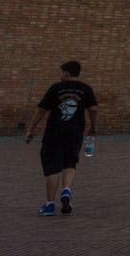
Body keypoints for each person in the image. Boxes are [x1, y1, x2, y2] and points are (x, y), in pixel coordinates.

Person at [24, 60, 97, 216]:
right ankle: (66, 190)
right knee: (70, 163)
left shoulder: (56, 88)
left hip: (54, 133)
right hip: (75, 132)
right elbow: (94, 109)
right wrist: (93, 127)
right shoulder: (86, 89)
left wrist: (30, 130)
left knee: (52, 168)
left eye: (61, 73)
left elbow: (41, 110)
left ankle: (50, 205)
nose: (60, 76)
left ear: (67, 73)